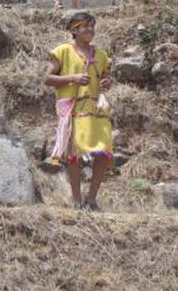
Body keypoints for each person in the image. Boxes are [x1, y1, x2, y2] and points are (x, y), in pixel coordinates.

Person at [42, 13, 113, 211]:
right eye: (84, 26)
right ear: (73, 30)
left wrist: (106, 83)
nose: (90, 30)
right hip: (75, 108)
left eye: (92, 26)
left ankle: (91, 199)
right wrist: (72, 78)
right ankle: (76, 199)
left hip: (97, 109)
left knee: (104, 152)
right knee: (74, 153)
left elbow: (105, 79)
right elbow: (47, 78)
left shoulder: (100, 54)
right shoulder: (63, 51)